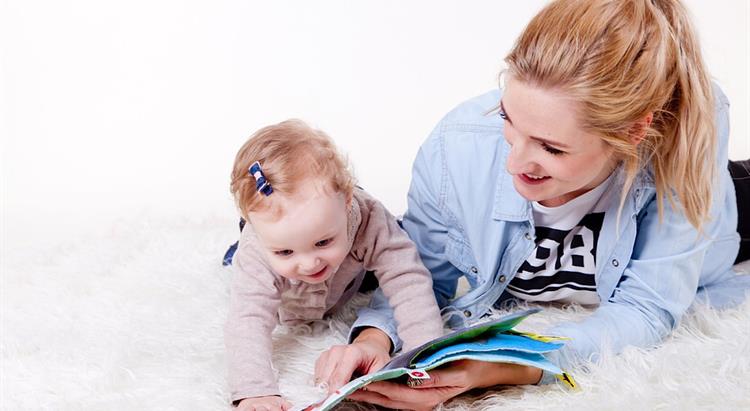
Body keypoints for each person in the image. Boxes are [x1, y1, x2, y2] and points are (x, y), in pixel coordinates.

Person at [313, 0, 750, 409]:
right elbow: (417, 271)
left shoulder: (685, 139)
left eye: (551, 148)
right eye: (508, 118)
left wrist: (508, 367)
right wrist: (374, 339)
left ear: (636, 133)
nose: (514, 162)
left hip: (729, 208)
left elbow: (647, 309)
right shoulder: (455, 149)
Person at [224, 120, 444, 410]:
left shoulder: (368, 216)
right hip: (287, 291)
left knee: (400, 244)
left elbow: (408, 279)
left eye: (322, 242)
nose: (308, 263)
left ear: (347, 199)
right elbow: (247, 318)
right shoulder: (257, 250)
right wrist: (254, 390)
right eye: (286, 251)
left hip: (349, 274)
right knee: (236, 264)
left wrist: (426, 356)